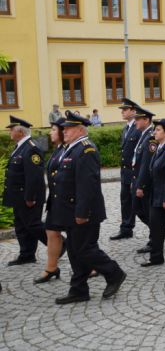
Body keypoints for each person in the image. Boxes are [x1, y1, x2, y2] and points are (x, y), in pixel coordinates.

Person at [53, 111, 126, 304]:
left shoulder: (86, 150)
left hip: (84, 212)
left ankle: (114, 272)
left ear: (79, 130)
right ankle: (79, 289)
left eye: (68, 128)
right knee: (74, 251)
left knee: (85, 249)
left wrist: (82, 212)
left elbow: (87, 184)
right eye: (64, 128)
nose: (64, 131)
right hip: (70, 210)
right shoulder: (71, 149)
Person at [3, 116, 47, 266]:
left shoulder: (31, 147)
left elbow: (34, 176)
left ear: (20, 131)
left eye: (12, 129)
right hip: (18, 196)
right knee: (21, 226)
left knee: (33, 225)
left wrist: (31, 197)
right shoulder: (20, 146)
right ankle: (27, 254)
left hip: (28, 196)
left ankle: (59, 244)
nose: (9, 132)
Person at [140, 119, 165, 267]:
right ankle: (156, 257)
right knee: (156, 228)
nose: (154, 132)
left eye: (158, 130)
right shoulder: (160, 147)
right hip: (157, 198)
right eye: (155, 129)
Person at [35, 117, 67, 283]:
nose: (50, 132)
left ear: (62, 132)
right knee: (51, 232)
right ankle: (51, 268)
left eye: (54, 129)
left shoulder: (67, 149)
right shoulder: (58, 149)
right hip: (55, 200)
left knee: (77, 238)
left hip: (66, 201)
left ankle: (92, 266)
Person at [111, 98, 141, 241]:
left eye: (125, 109)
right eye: (122, 110)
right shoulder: (126, 128)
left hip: (135, 171)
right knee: (125, 199)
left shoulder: (139, 128)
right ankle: (126, 228)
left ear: (133, 111)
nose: (122, 112)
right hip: (125, 171)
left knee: (141, 202)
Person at [131, 106, 157, 254]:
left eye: (138, 119)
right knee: (139, 210)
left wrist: (140, 185)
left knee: (147, 212)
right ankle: (158, 232)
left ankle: (155, 239)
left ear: (146, 120)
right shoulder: (143, 135)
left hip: (146, 184)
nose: (135, 122)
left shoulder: (151, 137)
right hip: (138, 180)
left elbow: (146, 164)